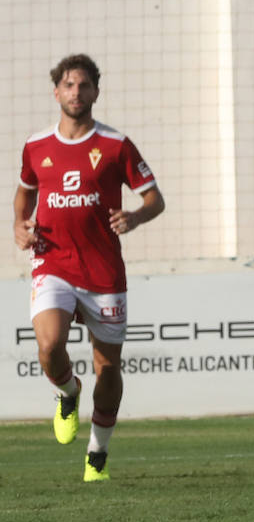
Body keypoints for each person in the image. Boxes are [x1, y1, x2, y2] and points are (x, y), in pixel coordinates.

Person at [13, 54, 166, 483]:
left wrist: (136, 216)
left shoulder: (116, 145)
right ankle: (68, 392)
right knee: (49, 345)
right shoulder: (36, 146)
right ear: (56, 92)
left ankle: (97, 453)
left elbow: (155, 199)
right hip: (52, 261)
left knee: (108, 368)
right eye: (68, 85)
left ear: (96, 91)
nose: (76, 92)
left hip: (103, 270)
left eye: (83, 85)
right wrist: (18, 226)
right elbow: (24, 194)